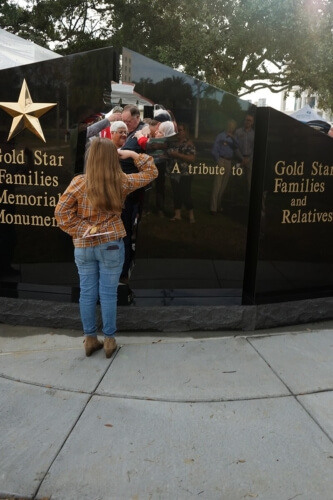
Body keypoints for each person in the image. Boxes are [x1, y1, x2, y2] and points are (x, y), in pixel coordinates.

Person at [54, 138, 158, 358]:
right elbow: (151, 172)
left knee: (87, 293)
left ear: (90, 158)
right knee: (108, 294)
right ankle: (109, 341)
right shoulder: (121, 181)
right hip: (111, 243)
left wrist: (83, 229)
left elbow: (61, 213)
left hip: (83, 246)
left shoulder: (79, 182)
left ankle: (90, 339)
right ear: (114, 158)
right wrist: (131, 154)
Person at [210, 119, 240, 214]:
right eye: (229, 126)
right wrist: (217, 159)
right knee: (217, 185)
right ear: (227, 126)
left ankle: (219, 206)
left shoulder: (234, 138)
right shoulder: (221, 136)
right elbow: (215, 149)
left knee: (224, 186)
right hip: (221, 160)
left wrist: (233, 138)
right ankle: (213, 208)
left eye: (232, 127)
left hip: (229, 161)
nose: (231, 128)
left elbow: (238, 146)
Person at [168, 122, 196, 223]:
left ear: (185, 131)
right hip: (174, 172)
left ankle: (191, 215)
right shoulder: (173, 144)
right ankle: (177, 214)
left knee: (185, 193)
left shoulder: (189, 144)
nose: (178, 132)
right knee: (176, 193)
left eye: (180, 130)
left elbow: (192, 158)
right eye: (177, 130)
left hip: (185, 173)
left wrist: (177, 155)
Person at [234, 114, 255, 192]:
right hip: (239, 159)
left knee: (250, 183)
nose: (248, 122)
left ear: (252, 122)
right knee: (237, 182)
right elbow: (235, 147)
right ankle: (234, 202)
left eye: (250, 120)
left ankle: (247, 202)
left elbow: (254, 148)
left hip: (250, 160)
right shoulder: (238, 132)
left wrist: (248, 159)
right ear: (244, 120)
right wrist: (242, 159)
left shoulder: (254, 134)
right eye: (247, 120)